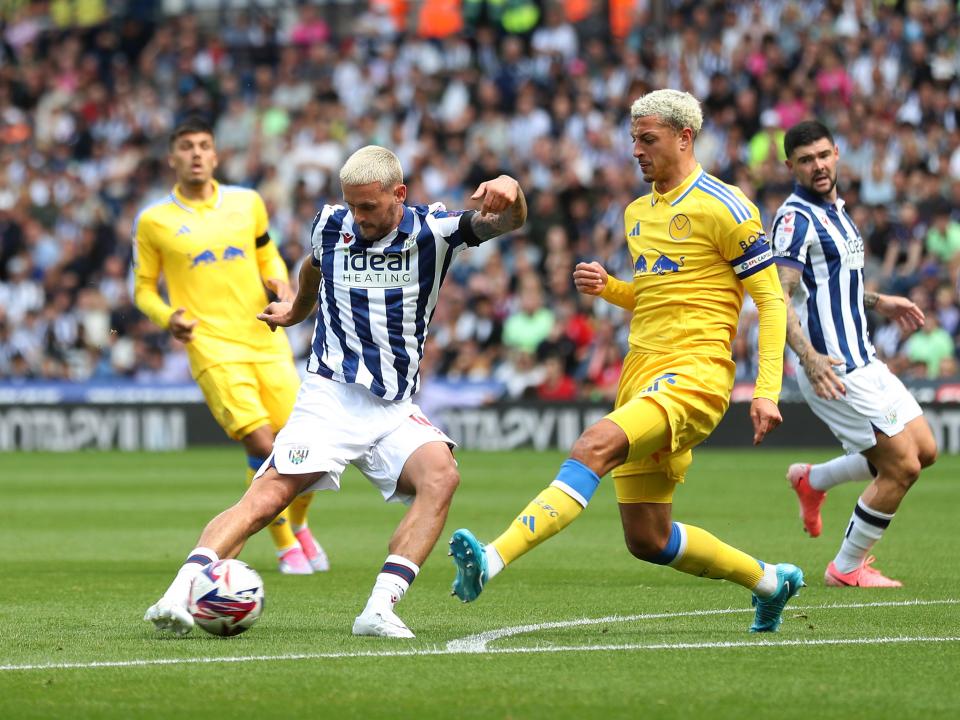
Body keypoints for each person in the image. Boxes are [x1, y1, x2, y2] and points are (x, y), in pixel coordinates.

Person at [449, 89, 805, 633]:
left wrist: (766, 390)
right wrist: (612, 288)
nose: (635, 150)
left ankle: (492, 559)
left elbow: (771, 300)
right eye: (633, 139)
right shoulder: (638, 212)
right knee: (648, 538)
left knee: (593, 445)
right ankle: (769, 581)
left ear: (685, 138)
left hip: (695, 373)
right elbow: (661, 292)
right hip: (642, 370)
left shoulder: (726, 205)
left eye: (648, 140)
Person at [144, 145, 527, 638]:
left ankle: (379, 609)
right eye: (352, 205)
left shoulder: (435, 231)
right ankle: (177, 595)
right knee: (267, 500)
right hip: (330, 396)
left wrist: (512, 191)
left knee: (441, 476)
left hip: (393, 405)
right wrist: (294, 311)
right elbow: (312, 266)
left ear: (399, 193)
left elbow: (507, 222)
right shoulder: (330, 223)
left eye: (369, 206)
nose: (358, 217)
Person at [133, 117, 327, 576]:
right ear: (172, 157)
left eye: (204, 145)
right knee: (265, 445)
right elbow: (142, 289)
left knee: (309, 448)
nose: (196, 153)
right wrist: (168, 317)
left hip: (265, 336)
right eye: (186, 146)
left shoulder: (247, 203)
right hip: (211, 346)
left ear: (216, 155)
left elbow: (266, 251)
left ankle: (298, 523)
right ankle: (285, 547)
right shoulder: (154, 221)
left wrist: (279, 278)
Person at [771, 120, 937, 587]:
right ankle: (845, 568)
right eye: (806, 159)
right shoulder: (794, 218)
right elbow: (779, 296)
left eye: (823, 155)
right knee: (901, 466)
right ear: (791, 166)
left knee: (924, 450)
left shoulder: (837, 211)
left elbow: (832, 282)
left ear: (838, 153)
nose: (818, 165)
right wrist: (808, 357)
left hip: (864, 357)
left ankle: (813, 480)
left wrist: (879, 301)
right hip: (832, 365)